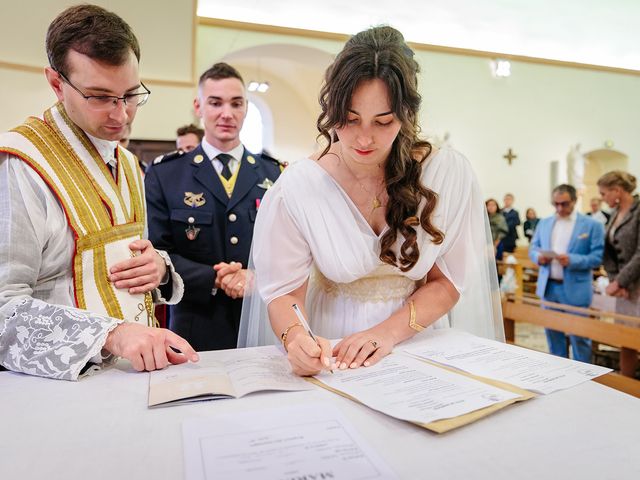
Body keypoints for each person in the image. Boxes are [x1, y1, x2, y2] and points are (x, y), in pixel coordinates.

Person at [238, 26, 503, 376]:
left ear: (406, 115)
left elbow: (447, 282)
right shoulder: (300, 187)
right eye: (350, 119)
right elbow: (284, 294)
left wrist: (385, 334)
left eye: (383, 121)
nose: (364, 138)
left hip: (415, 339)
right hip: (333, 346)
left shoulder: (444, 174)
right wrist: (296, 337)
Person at [0, 4, 198, 380]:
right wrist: (111, 334)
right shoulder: (20, 164)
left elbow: (116, 265)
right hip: (57, 391)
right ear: (57, 83)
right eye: (99, 96)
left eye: (131, 94)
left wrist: (159, 269)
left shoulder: (127, 163)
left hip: (137, 377)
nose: (121, 115)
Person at [145, 62, 282, 351]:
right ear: (198, 106)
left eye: (236, 103)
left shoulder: (273, 174)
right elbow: (158, 251)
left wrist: (256, 276)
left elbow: (287, 248)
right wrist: (216, 279)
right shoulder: (166, 175)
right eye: (216, 103)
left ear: (246, 108)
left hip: (259, 322)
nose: (227, 114)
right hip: (196, 325)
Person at [529, 184, 604, 363]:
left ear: (575, 201)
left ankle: (584, 376)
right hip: (549, 286)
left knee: (579, 337)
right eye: (556, 204)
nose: (560, 208)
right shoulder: (545, 222)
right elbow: (533, 247)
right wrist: (539, 258)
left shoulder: (592, 225)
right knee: (553, 334)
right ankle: (558, 371)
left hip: (575, 288)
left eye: (564, 204)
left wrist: (572, 260)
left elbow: (597, 257)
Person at [598, 171, 640, 376]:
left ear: (617, 190)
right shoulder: (615, 214)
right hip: (624, 289)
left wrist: (621, 281)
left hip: (637, 284)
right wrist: (617, 282)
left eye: (604, 193)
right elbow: (609, 251)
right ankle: (627, 383)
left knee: (638, 336)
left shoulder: (638, 210)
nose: (602, 199)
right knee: (626, 338)